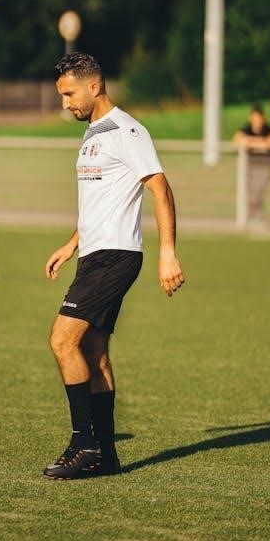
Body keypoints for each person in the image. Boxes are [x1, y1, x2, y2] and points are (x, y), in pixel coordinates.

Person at [43, 52, 185, 480]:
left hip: (116, 256)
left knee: (62, 341)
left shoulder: (127, 130)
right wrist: (72, 244)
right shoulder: (93, 133)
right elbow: (99, 202)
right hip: (94, 254)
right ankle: (106, 454)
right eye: (62, 95)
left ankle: (82, 444)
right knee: (94, 350)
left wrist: (168, 252)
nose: (65, 103)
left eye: (70, 94)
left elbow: (160, 189)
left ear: (95, 86)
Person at [232, 104, 270, 223]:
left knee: (258, 190)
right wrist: (261, 142)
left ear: (263, 118)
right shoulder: (246, 129)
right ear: (250, 118)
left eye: (259, 117)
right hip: (251, 166)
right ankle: (257, 217)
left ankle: (254, 216)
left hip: (266, 166)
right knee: (253, 191)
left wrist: (250, 142)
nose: (257, 120)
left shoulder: (268, 129)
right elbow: (237, 141)